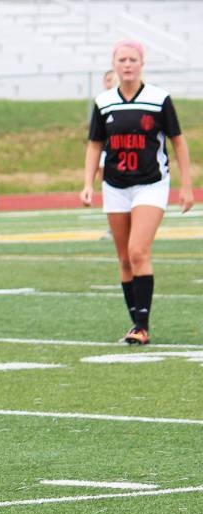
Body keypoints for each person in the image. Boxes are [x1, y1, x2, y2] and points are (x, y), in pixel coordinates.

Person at [80, 40, 194, 345]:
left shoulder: (159, 99)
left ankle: (141, 327)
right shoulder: (104, 102)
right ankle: (136, 323)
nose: (127, 65)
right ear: (114, 64)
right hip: (115, 186)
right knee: (124, 258)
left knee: (138, 251)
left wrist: (186, 185)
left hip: (151, 184)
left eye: (132, 59)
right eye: (122, 60)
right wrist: (88, 183)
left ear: (141, 63)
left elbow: (178, 141)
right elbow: (94, 145)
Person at [93, 70, 119, 186]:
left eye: (112, 80)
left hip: (121, 149)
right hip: (106, 149)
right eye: (107, 80)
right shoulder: (102, 103)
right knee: (104, 176)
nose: (110, 83)